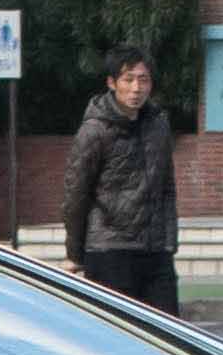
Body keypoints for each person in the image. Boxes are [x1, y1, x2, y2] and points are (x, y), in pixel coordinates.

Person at [63, 48, 181, 314]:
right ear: (112, 83)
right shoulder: (94, 130)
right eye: (128, 79)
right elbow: (75, 195)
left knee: (171, 335)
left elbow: (167, 188)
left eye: (143, 79)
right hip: (110, 250)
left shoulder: (158, 125)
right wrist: (75, 253)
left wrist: (169, 242)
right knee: (118, 339)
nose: (136, 88)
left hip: (156, 252)